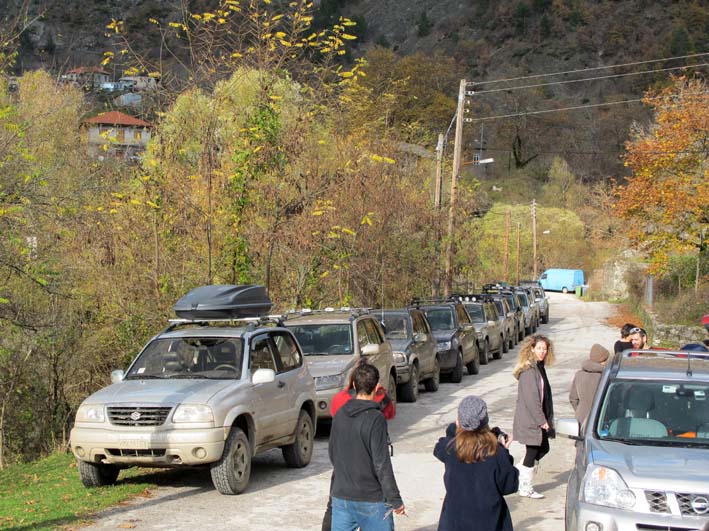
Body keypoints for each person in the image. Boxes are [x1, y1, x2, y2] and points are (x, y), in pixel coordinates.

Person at [328, 363, 405, 531]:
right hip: (371, 499)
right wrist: (395, 499)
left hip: (342, 497)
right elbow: (381, 463)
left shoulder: (340, 413)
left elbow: (333, 453)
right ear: (376, 386)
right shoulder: (376, 419)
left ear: (354, 385)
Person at [434, 395, 518, 531]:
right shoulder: (496, 453)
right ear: (485, 422)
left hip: (455, 522)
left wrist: (455, 428)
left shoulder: (450, 448)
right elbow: (510, 486)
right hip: (490, 522)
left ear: (459, 421)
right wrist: (505, 452)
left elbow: (439, 446)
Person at [512, 334, 555, 499]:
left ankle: (520, 472)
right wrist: (541, 420)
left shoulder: (539, 367)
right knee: (534, 450)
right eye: (539, 348)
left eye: (545, 349)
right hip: (531, 419)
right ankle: (525, 486)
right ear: (531, 349)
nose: (542, 352)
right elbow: (532, 399)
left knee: (542, 448)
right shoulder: (530, 371)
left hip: (536, 417)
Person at [569, 344, 609, 429]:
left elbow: (573, 398)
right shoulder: (604, 377)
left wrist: (580, 409)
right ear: (603, 360)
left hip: (581, 418)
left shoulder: (579, 374)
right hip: (599, 419)